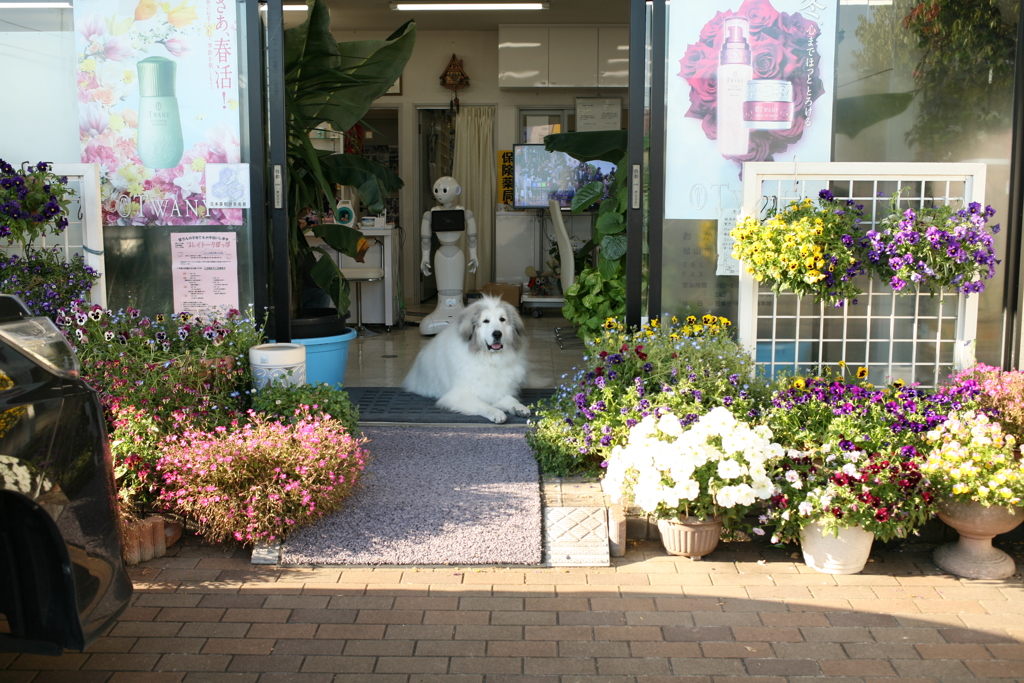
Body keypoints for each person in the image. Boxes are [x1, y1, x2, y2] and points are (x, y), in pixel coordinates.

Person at [418, 176, 479, 335]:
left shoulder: (464, 213)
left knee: (456, 287)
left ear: (457, 191)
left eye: (444, 190)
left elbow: (472, 237)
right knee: (443, 288)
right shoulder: (431, 214)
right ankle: (443, 309)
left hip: (457, 254)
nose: (439, 194)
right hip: (441, 254)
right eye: (437, 190)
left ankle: (458, 310)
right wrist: (425, 257)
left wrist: (474, 255)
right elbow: (425, 239)